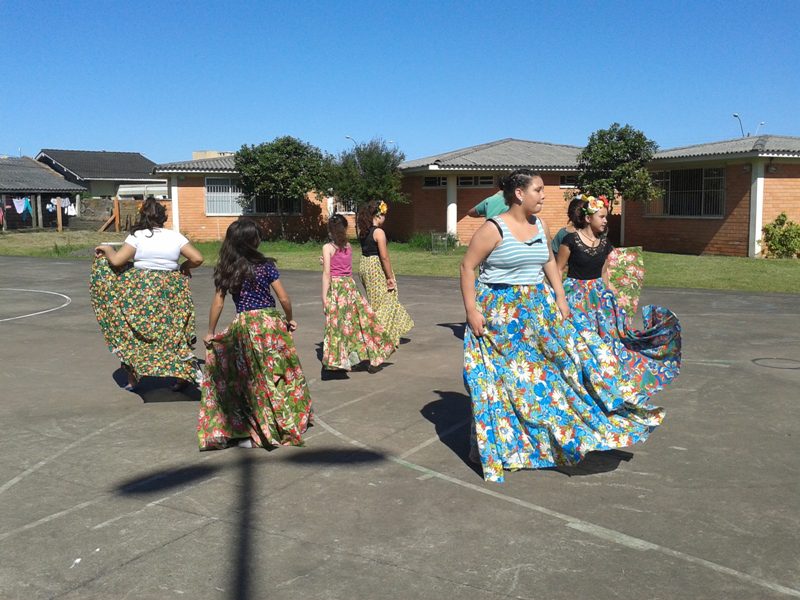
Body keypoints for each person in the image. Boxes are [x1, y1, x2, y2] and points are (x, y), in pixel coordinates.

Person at [461, 169, 664, 483]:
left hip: (536, 311)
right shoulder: (493, 228)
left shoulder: (539, 225)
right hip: (499, 317)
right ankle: (501, 446)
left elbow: (547, 262)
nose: (544, 195)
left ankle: (552, 438)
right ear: (519, 194)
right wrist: (471, 310)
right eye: (539, 190)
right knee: (500, 381)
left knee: (556, 372)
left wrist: (560, 296)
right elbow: (467, 266)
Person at [198, 218, 311, 450]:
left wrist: (210, 332)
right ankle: (286, 419)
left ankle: (253, 427)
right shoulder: (266, 265)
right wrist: (289, 318)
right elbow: (283, 298)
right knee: (280, 371)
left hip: (246, 326)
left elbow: (218, 303)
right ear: (252, 241)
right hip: (270, 325)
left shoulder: (228, 268)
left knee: (250, 378)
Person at [556, 195, 681, 400]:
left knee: (606, 339)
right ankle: (579, 382)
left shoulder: (605, 243)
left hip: (599, 297)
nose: (606, 220)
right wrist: (558, 297)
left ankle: (602, 382)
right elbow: (559, 268)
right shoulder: (570, 240)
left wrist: (610, 297)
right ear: (588, 218)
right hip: (575, 296)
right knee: (579, 340)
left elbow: (604, 272)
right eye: (602, 217)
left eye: (606, 217)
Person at [91, 197, 204, 391]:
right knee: (174, 333)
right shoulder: (175, 236)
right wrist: (185, 266)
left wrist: (107, 249)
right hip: (171, 292)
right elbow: (198, 258)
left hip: (142, 293)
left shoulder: (138, 236)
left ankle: (133, 380)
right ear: (162, 217)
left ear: (143, 216)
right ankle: (186, 376)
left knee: (132, 332)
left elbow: (117, 261)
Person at [322, 214, 395, 371]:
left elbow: (327, 273)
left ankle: (340, 360)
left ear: (330, 230)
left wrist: (324, 298)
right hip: (350, 287)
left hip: (337, 289)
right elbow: (342, 265)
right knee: (360, 322)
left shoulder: (327, 248)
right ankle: (372, 354)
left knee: (338, 325)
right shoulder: (348, 246)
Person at [356, 200, 414, 347]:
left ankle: (388, 332)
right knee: (386, 300)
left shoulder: (363, 230)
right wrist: (389, 277)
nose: (385, 218)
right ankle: (374, 334)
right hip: (375, 267)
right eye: (384, 215)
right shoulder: (378, 232)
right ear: (378, 215)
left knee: (376, 300)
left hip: (364, 265)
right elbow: (384, 257)